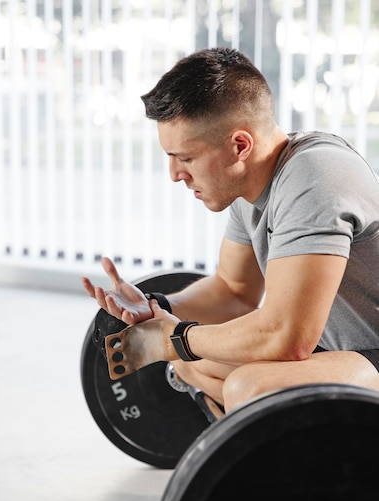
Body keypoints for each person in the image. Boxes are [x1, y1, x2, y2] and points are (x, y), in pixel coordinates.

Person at [81, 47, 379, 415]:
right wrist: (158, 308)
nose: (175, 174)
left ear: (239, 145)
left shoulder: (314, 178)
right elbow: (233, 291)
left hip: (370, 352)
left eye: (186, 158)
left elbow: (287, 336)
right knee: (192, 360)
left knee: (249, 387)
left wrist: (174, 339)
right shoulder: (250, 182)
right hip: (339, 351)